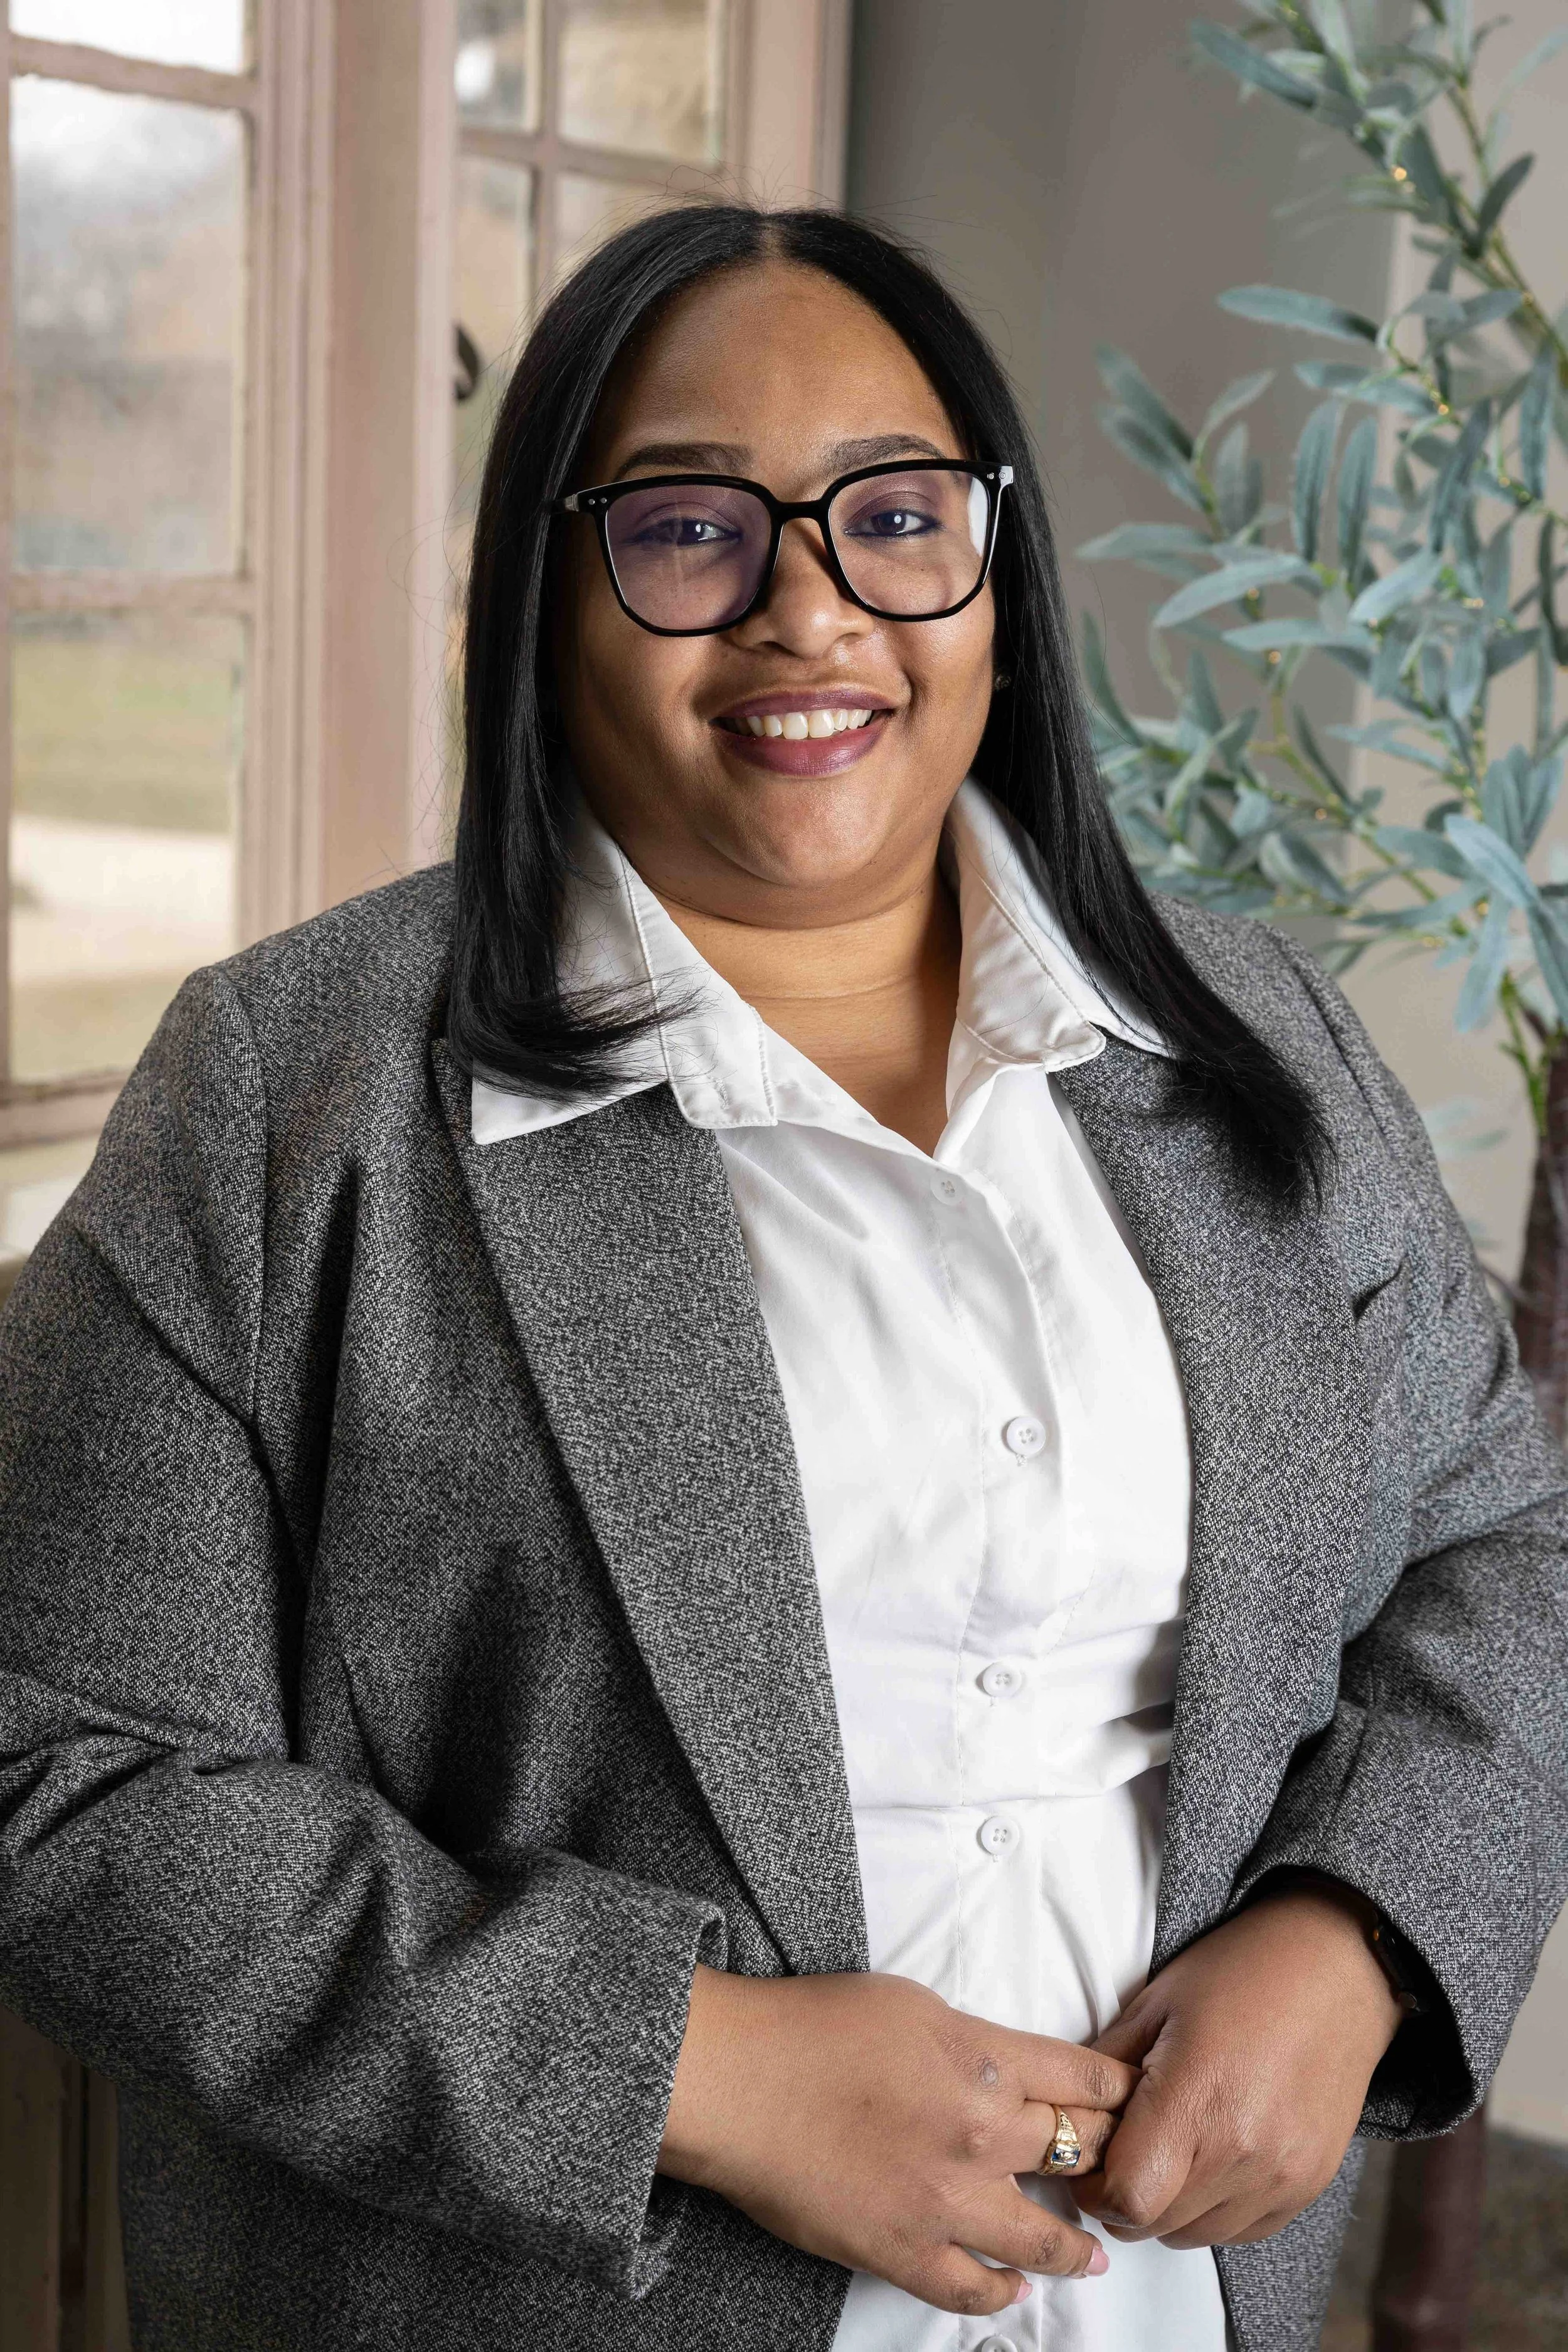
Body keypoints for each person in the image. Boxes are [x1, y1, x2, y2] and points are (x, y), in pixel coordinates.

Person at [1, 203, 1564, 2352]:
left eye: (894, 517)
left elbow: (1503, 1538)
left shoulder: (1251, 1036)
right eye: (687, 530)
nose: (809, 607)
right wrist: (688, 2067)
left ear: (993, 578)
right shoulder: (290, 1092)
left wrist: (1356, 1928)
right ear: (547, 595)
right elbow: (62, 1767)